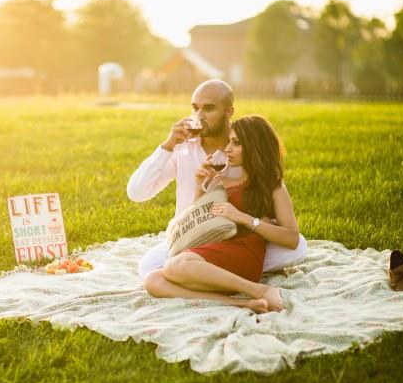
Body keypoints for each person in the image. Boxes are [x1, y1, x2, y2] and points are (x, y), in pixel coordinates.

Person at [127, 79, 307, 281]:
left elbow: (274, 206)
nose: (199, 116)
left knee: (298, 247)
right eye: (195, 108)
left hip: (240, 239)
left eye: (208, 109)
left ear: (228, 112)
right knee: (148, 270)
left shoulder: (246, 148)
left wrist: (251, 222)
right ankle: (218, 271)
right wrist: (168, 146)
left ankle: (204, 274)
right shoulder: (182, 148)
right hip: (192, 236)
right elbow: (136, 193)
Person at [143, 115, 297, 313]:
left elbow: (292, 238)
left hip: (244, 252)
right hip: (216, 248)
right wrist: (200, 184)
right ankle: (242, 303)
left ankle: (259, 289)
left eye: (237, 143)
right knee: (152, 280)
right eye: (229, 142)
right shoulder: (221, 181)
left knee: (174, 266)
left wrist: (244, 218)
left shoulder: (272, 185)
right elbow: (200, 221)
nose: (228, 149)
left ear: (255, 146)